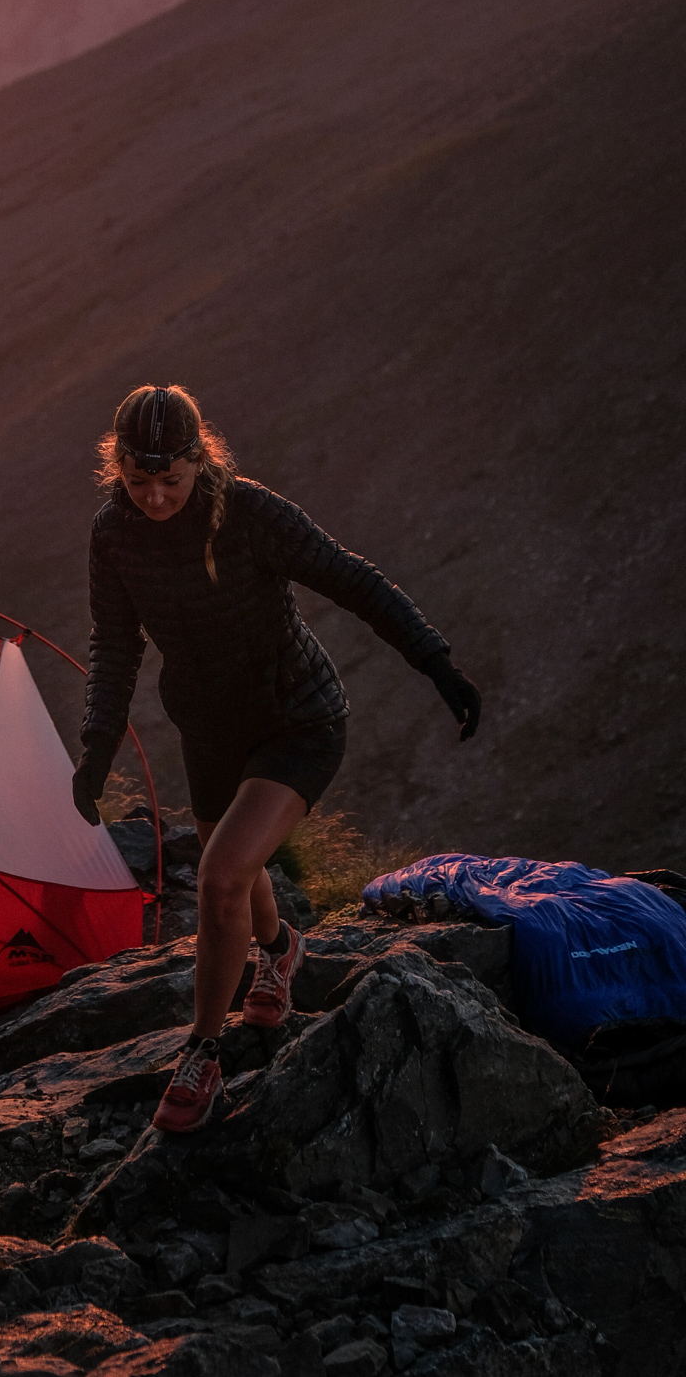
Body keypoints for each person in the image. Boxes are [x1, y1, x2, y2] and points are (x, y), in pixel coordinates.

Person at [73, 384, 480, 1133]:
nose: (155, 497)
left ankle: (203, 1054)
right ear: (117, 466)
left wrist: (436, 663)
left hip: (298, 717)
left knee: (221, 874)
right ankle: (281, 948)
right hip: (208, 727)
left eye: (171, 480)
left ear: (200, 461)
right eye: (137, 482)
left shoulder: (250, 513)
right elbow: (115, 642)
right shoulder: (113, 533)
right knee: (232, 866)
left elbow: (352, 579)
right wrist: (98, 743)